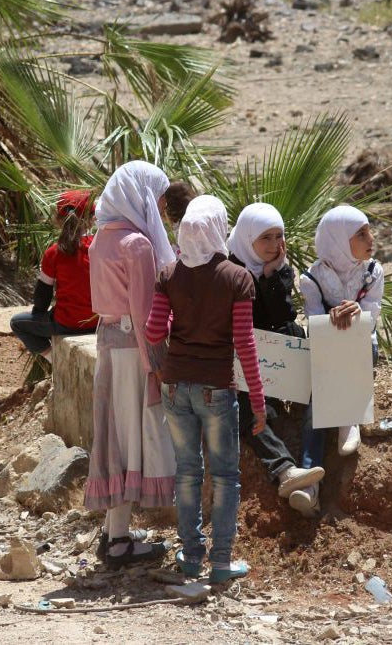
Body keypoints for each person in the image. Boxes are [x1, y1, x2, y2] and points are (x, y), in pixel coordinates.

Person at [144, 195, 266, 584]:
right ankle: (221, 561)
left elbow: (152, 331)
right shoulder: (237, 278)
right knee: (226, 476)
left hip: (175, 385)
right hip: (216, 386)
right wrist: (259, 403)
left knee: (187, 472)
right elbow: (244, 345)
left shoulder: (169, 274)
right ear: (219, 227)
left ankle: (191, 556)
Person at [84, 161, 176, 569]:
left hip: (108, 345)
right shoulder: (137, 244)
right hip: (132, 351)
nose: (158, 205)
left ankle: (114, 532)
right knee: (132, 439)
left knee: (115, 436)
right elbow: (143, 313)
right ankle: (119, 542)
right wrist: (156, 365)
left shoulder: (101, 239)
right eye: (155, 197)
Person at [226, 202, 325, 500]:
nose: (273, 245)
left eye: (278, 236)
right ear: (247, 239)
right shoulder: (230, 271)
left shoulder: (281, 271)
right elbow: (246, 322)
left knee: (318, 391)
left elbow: (283, 317)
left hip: (277, 354)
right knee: (248, 411)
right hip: (245, 358)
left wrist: (270, 277)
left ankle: (309, 481)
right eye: (265, 238)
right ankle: (285, 470)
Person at [293, 205, 384, 517]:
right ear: (338, 239)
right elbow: (315, 321)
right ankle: (308, 484)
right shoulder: (312, 278)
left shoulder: (372, 271)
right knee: (316, 398)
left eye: (368, 231)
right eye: (360, 233)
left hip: (358, 345)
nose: (370, 239)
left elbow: (373, 314)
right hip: (326, 349)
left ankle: (311, 479)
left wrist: (358, 314)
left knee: (321, 396)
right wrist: (333, 319)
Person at [9, 189, 99, 359]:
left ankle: (53, 360)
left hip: (67, 323)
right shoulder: (102, 246)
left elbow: (43, 294)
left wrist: (38, 314)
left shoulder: (54, 253)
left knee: (17, 323)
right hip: (100, 322)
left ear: (59, 219)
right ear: (92, 217)